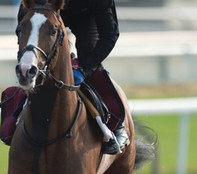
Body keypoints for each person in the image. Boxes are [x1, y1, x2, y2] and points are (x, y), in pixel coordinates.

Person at [15, 0, 129, 154]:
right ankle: (13, 118)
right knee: (32, 66)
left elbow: (110, 35)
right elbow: (24, 25)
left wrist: (84, 69)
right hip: (45, 15)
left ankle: (115, 125)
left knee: (90, 60)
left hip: (86, 19)